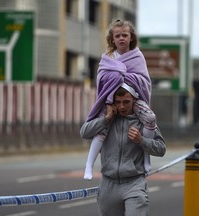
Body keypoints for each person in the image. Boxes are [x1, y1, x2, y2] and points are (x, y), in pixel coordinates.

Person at [83, 19, 156, 180]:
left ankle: (146, 157)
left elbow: (143, 80)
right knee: (102, 129)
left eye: (125, 35)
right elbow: (102, 79)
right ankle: (89, 165)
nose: (121, 38)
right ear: (113, 39)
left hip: (134, 100)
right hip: (110, 100)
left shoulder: (138, 56)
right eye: (118, 36)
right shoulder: (108, 58)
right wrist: (117, 76)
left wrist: (121, 74)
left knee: (150, 118)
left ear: (131, 37)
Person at [80, 85, 166, 216]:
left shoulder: (144, 120)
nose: (122, 107)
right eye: (118, 102)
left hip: (134, 183)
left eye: (126, 102)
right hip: (108, 184)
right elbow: (84, 133)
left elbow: (161, 149)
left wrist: (141, 140)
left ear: (134, 101)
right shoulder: (107, 119)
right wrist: (106, 119)